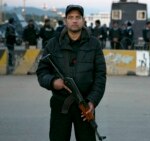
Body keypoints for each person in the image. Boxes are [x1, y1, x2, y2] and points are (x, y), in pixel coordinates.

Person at [36, 4, 106, 141]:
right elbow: (41, 71)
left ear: (83, 20)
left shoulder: (94, 44)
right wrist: (53, 82)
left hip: (85, 105)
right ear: (66, 20)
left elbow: (100, 76)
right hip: (60, 105)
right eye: (71, 17)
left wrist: (92, 101)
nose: (74, 20)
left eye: (78, 17)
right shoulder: (53, 44)